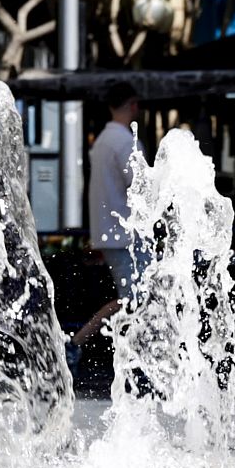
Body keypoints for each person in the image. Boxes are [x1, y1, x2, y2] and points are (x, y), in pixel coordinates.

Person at [68, 82, 143, 372]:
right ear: (133, 105)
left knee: (136, 299)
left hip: (110, 232)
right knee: (137, 299)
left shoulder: (102, 141)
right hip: (126, 235)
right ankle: (77, 343)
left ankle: (82, 344)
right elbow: (141, 186)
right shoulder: (125, 142)